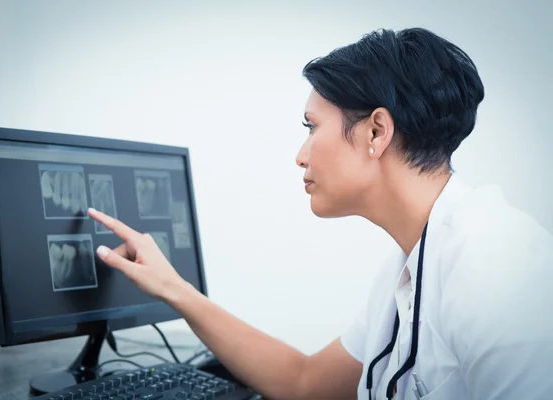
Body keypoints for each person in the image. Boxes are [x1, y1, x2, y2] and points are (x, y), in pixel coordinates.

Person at [88, 27, 553, 400]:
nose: (300, 155)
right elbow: (305, 383)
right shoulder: (410, 268)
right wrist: (174, 290)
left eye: (312, 128)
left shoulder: (496, 268)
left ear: (376, 132)